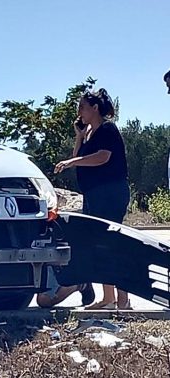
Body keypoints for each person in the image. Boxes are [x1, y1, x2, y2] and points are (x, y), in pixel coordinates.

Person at [54, 88, 131, 310]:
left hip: (110, 191)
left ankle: (119, 299)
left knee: (109, 241)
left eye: (83, 107)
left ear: (95, 108)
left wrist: (73, 162)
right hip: (94, 193)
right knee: (101, 242)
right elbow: (77, 156)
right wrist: (79, 137)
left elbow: (102, 157)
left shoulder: (107, 129)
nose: (80, 112)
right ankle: (111, 298)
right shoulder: (89, 133)